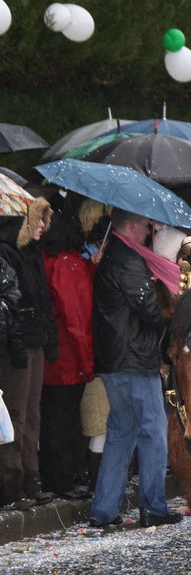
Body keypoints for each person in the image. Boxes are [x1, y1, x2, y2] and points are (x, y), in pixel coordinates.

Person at [89, 209, 181, 528]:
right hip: (135, 359)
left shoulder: (115, 256)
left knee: (121, 433)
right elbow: (151, 310)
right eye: (146, 225)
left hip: (116, 358)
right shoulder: (128, 259)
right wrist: (172, 293)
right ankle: (153, 506)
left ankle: (103, 510)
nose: (149, 232)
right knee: (154, 432)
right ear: (132, 225)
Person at [0, 198, 57, 511]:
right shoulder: (10, 253)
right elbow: (14, 304)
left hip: (32, 337)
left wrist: (48, 339)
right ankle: (13, 484)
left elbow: (41, 301)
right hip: (17, 341)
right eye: (37, 219)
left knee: (31, 412)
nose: (42, 225)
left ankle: (31, 478)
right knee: (17, 413)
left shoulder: (31, 255)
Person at [39, 208, 94, 500]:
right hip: (68, 357)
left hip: (53, 354)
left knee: (51, 417)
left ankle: (54, 476)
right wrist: (87, 360)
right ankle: (62, 479)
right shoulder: (68, 264)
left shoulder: (48, 260)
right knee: (64, 418)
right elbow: (77, 317)